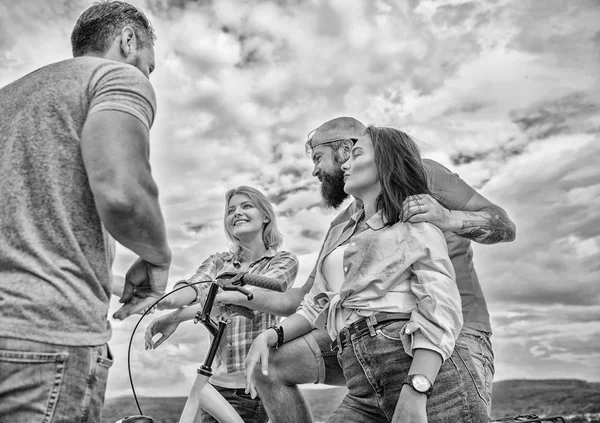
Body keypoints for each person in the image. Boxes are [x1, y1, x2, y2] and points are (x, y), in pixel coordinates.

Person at [237, 117, 516, 422]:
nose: (315, 170)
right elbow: (311, 299)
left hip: (454, 329)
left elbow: (504, 225)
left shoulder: (424, 176)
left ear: (345, 149)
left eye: (318, 158)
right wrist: (241, 298)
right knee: (270, 365)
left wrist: (447, 218)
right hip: (358, 340)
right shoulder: (341, 225)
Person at [0, 2, 170, 422]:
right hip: (47, 338)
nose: (146, 76)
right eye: (149, 67)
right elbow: (122, 193)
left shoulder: (8, 98)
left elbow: (29, 232)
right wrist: (157, 259)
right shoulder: (114, 76)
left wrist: (109, 279)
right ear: (128, 40)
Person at [144, 186, 299, 423]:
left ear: (266, 216)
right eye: (231, 210)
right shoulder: (218, 261)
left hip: (249, 389)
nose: (237, 213)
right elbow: (194, 287)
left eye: (246, 206)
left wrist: (178, 315)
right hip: (214, 382)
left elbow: (257, 297)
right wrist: (162, 301)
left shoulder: (282, 261)